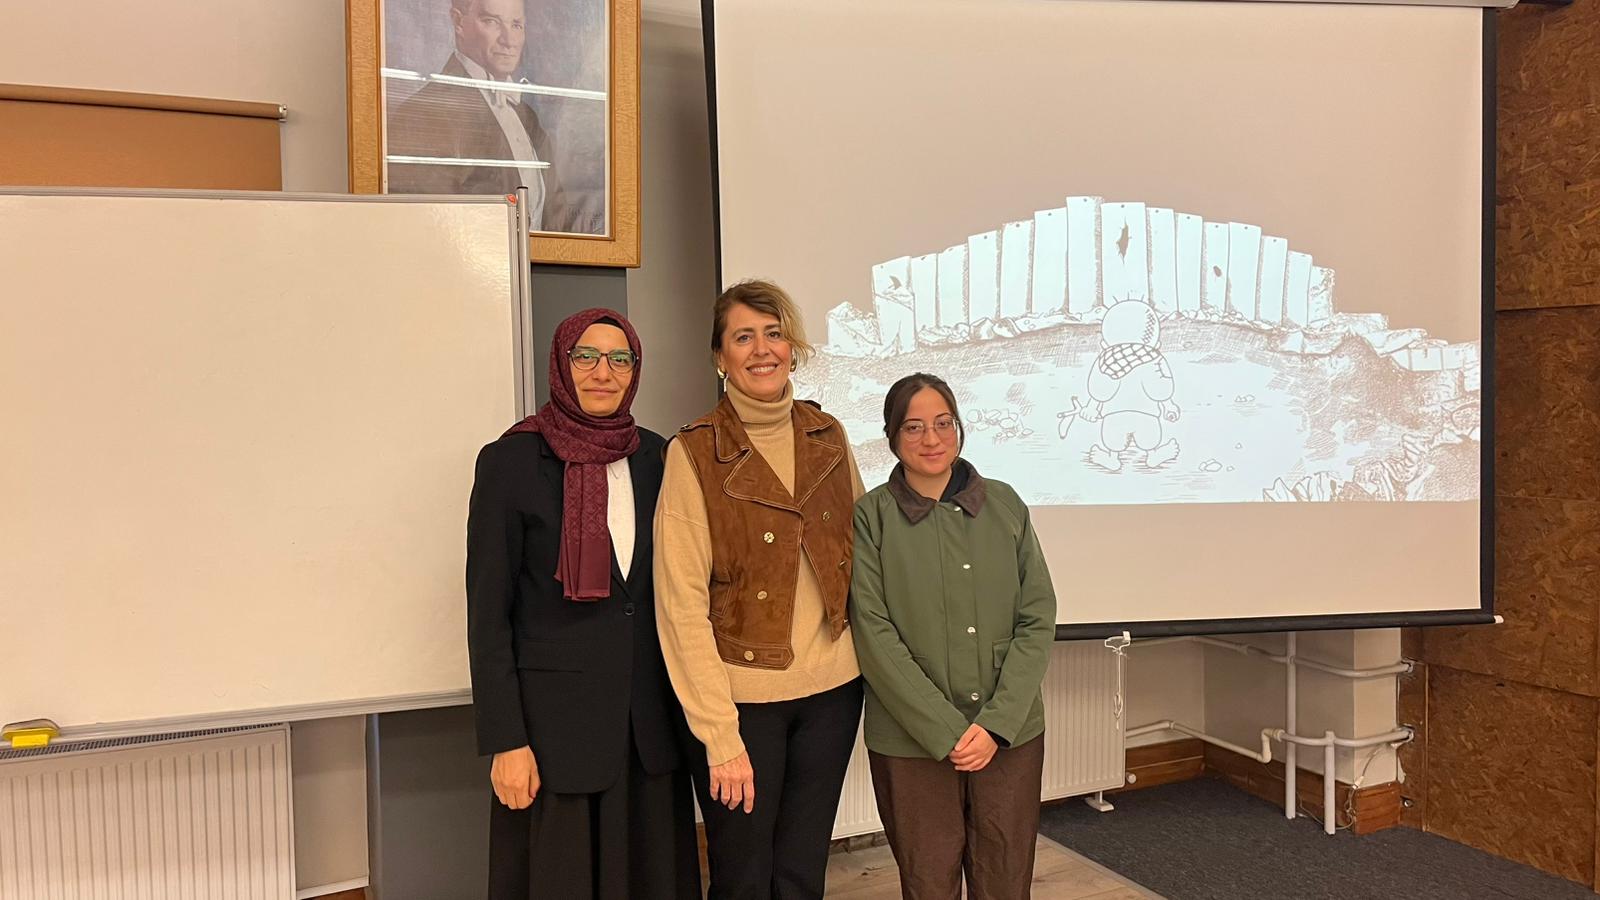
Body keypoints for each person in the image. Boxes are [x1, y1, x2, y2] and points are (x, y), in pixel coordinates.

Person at [466, 308, 699, 900]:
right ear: (561, 363)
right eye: (586, 356)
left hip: (648, 730)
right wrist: (506, 740)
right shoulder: (512, 461)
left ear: (635, 370)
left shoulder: (658, 457)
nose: (603, 372)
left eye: (620, 359)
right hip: (553, 737)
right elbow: (488, 614)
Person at [654, 279, 866, 899]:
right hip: (742, 704)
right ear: (720, 357)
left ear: (792, 347)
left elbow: (862, 558)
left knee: (802, 870)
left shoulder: (829, 435)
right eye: (743, 337)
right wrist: (719, 734)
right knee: (742, 876)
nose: (762, 349)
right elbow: (680, 607)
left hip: (833, 694)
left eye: (774, 333)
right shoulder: (693, 452)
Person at [849, 372, 1057, 900]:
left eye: (944, 424)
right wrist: (946, 731)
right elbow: (872, 631)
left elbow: (1037, 616)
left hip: (1008, 736)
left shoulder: (1006, 505)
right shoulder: (870, 517)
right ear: (892, 436)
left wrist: (996, 724)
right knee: (928, 880)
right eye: (914, 427)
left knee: (1005, 878)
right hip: (911, 742)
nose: (932, 439)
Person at [386, 0, 592, 234]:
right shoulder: (425, 113)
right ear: (458, 22)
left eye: (516, 25)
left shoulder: (527, 117)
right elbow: (429, 229)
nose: (509, 40)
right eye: (492, 22)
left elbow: (556, 217)